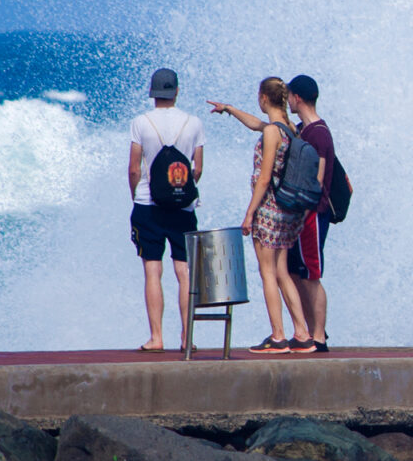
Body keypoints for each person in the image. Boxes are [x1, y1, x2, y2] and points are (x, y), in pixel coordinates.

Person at [209, 77, 312, 352]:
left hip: (268, 210)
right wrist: (229, 109)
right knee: (281, 272)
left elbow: (264, 178)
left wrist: (248, 214)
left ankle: (278, 336)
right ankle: (302, 333)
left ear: (264, 97)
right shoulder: (289, 128)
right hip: (288, 213)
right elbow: (257, 123)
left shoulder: (271, 133)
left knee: (267, 272)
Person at [127, 67, 203, 352]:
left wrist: (135, 196)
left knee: (152, 270)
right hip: (183, 207)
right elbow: (198, 169)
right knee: (183, 272)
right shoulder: (193, 123)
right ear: (177, 92)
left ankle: (157, 338)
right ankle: (187, 338)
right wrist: (179, 191)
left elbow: (134, 168)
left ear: (152, 92)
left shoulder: (141, 122)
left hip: (148, 204)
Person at [283, 74, 337, 353]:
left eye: (289, 95)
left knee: (311, 275)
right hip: (303, 216)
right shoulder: (305, 128)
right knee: (297, 272)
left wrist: (303, 214)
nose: (288, 100)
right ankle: (311, 329)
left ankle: (319, 337)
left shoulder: (318, 133)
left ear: (298, 98)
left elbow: (317, 179)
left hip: (312, 214)